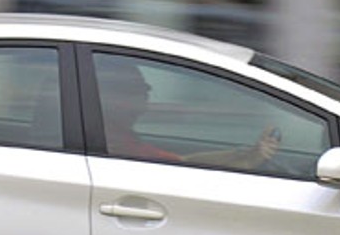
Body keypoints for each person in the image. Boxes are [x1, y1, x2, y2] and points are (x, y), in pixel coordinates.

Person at [98, 58, 283, 171]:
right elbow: (184, 167)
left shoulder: (115, 135)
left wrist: (245, 155)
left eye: (144, 92)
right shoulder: (115, 143)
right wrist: (248, 161)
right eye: (136, 92)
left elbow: (184, 161)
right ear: (109, 97)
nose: (144, 103)